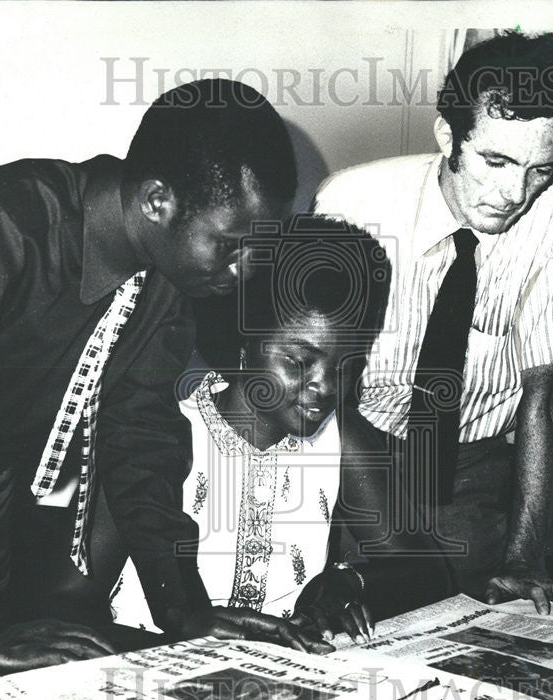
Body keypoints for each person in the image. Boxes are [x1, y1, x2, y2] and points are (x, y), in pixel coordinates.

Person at [0, 79, 301, 678]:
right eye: (230, 244)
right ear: (156, 201)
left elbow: (142, 444)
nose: (245, 268)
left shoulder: (169, 278)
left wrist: (185, 611)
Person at [313, 31, 553, 616]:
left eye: (541, 168)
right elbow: (322, 380)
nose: (515, 193)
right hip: (350, 455)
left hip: (471, 475)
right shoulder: (352, 203)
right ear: (447, 136)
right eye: (496, 161)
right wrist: (371, 536)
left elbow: (550, 398)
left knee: (467, 631)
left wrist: (524, 560)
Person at [103, 215, 398, 649]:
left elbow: (424, 566)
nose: (326, 386)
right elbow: (70, 602)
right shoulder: (161, 433)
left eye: (343, 365)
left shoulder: (341, 438)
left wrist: (348, 583)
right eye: (299, 362)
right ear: (244, 345)